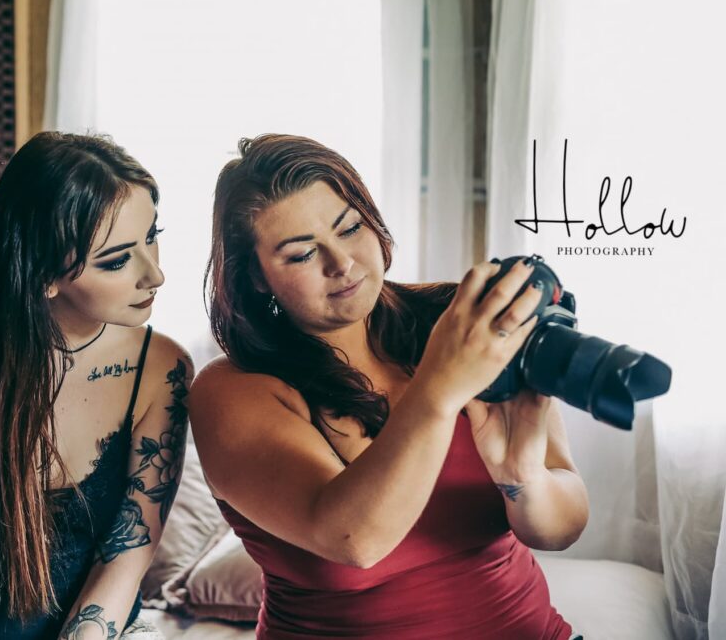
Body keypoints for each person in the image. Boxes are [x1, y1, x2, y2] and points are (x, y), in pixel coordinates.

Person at [190, 134, 589, 639]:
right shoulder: (231, 391)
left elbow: (563, 528)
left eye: (350, 227)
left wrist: (522, 477)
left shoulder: (454, 319)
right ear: (256, 277)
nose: (342, 263)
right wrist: (440, 390)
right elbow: (355, 540)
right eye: (302, 254)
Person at [0, 132, 192, 640]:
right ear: (44, 275)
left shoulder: (162, 368)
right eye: (117, 260)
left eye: (152, 235)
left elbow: (125, 557)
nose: (156, 274)